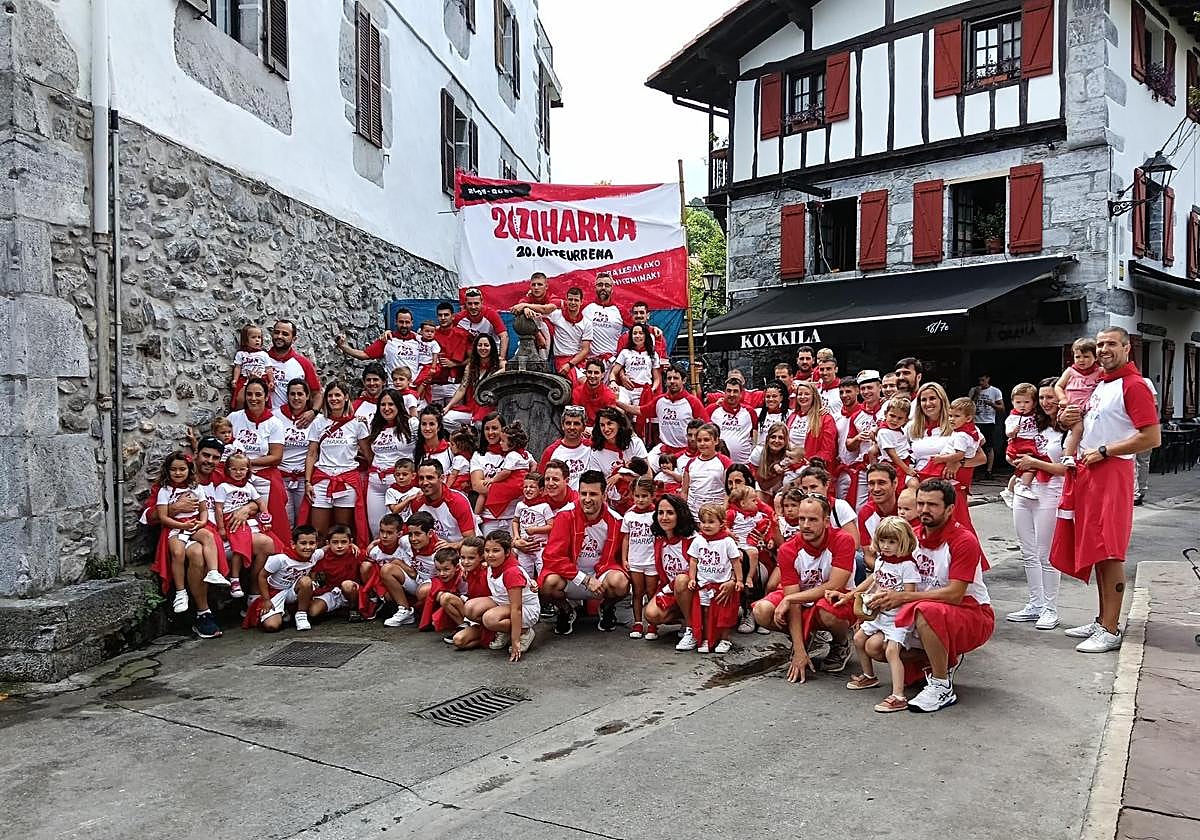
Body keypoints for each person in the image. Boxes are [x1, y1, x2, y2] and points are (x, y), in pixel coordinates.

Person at [1051, 327, 1160, 653]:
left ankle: (1110, 628)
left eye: (1111, 343)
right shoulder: (1103, 383)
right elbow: (1090, 424)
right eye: (1099, 344)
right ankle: (1103, 620)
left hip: (1111, 471)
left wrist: (1105, 450)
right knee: (1098, 549)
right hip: (1091, 470)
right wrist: (1069, 417)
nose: (1103, 349)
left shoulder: (1134, 385)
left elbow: (1151, 437)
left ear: (1127, 348)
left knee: (1110, 550)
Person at [869, 479, 993, 713]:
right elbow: (884, 570)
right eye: (921, 503)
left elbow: (955, 594)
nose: (924, 510)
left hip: (970, 613)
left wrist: (901, 598)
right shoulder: (911, 536)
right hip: (922, 610)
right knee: (874, 646)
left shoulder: (964, 540)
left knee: (925, 611)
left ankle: (941, 684)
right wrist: (859, 595)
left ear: (950, 509)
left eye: (932, 505)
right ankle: (934, 662)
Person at [751, 495, 856, 681]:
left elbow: (835, 585)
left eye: (812, 520)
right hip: (800, 599)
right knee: (761, 610)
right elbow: (793, 602)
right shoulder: (788, 549)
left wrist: (790, 598)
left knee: (828, 609)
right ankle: (801, 640)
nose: (806, 525)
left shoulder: (843, 540)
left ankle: (840, 643)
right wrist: (799, 651)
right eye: (802, 519)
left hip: (834, 597)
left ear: (826, 522)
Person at [836, 516, 921, 712]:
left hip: (898, 617)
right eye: (882, 541)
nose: (886, 546)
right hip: (880, 613)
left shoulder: (907, 565)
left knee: (892, 651)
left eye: (892, 541)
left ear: (904, 541)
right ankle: (869, 675)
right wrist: (852, 594)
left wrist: (891, 597)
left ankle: (898, 695)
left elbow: (910, 593)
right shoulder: (882, 560)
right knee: (858, 638)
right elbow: (874, 579)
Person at [1006, 377, 1069, 630]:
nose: (1045, 402)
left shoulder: (1067, 429)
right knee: (1028, 552)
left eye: (1050, 397)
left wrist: (1034, 463)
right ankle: (1035, 603)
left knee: (1046, 554)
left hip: (1051, 492)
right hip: (1025, 491)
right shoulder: (1033, 423)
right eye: (1041, 397)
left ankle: (1050, 608)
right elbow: (1014, 448)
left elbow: (1067, 469)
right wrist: (1015, 461)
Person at [539, 469, 629, 635]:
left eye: (593, 494)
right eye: (583, 494)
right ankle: (566, 610)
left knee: (621, 582)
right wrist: (585, 579)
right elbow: (552, 557)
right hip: (572, 576)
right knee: (547, 583)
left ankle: (606, 607)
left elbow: (620, 558)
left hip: (600, 575)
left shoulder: (616, 520)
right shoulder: (565, 515)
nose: (587, 499)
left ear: (604, 495)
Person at [154, 450, 228, 633]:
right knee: (180, 552)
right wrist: (175, 510)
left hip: (195, 526)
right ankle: (186, 598)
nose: (178, 473)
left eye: (182, 469)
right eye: (174, 469)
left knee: (201, 549)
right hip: (175, 529)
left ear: (189, 470)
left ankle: (207, 598)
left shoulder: (197, 487)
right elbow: (155, 515)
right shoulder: (163, 490)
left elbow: (204, 510)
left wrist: (201, 522)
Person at [302, 381, 370, 544]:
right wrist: (307, 482)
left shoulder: (358, 423)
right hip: (322, 478)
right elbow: (312, 454)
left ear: (346, 397)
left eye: (338, 395)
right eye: (330, 395)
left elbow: (368, 454)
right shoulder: (318, 422)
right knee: (318, 532)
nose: (334, 399)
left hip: (347, 480)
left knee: (343, 531)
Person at [213, 452, 283, 600]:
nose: (238, 472)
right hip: (231, 520)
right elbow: (218, 508)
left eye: (242, 469)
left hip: (246, 521)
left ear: (247, 470)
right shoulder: (223, 487)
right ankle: (235, 578)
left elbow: (260, 502)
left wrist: (266, 518)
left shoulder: (249, 487)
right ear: (227, 470)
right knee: (241, 543)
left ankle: (264, 584)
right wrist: (221, 528)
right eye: (234, 469)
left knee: (275, 544)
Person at [227, 376, 292, 532]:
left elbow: (276, 457)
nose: (253, 398)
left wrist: (246, 463)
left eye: (258, 394)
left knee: (267, 522)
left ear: (267, 396)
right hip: (234, 476)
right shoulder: (234, 418)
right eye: (249, 394)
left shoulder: (274, 423)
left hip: (263, 476)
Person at [463, 530, 539, 660]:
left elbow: (517, 608)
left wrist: (515, 642)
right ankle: (504, 630)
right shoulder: (491, 565)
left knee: (489, 619)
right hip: (502, 602)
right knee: (470, 608)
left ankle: (524, 632)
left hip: (524, 608)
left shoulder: (511, 572)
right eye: (487, 550)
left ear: (507, 552)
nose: (490, 555)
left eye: (496, 551)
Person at [682, 503, 743, 654]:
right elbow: (693, 561)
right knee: (705, 612)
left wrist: (739, 580)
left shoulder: (727, 541)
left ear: (721, 523)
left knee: (724, 614)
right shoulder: (698, 540)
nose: (706, 525)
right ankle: (706, 638)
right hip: (704, 584)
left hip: (722, 585)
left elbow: (736, 561)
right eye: (703, 522)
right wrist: (692, 579)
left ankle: (724, 639)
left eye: (711, 522)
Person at [245, 525, 320, 632]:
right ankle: (284, 610)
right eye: (303, 543)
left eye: (311, 543)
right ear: (293, 544)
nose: (308, 547)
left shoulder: (315, 555)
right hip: (275, 592)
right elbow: (262, 576)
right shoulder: (280, 559)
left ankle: (301, 615)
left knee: (306, 581)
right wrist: (266, 600)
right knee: (272, 626)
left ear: (316, 544)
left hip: (294, 590)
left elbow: (328, 548)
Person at [643, 494, 696, 642]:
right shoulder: (660, 541)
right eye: (661, 512)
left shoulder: (693, 539)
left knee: (681, 580)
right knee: (651, 614)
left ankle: (691, 628)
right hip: (672, 591)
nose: (664, 517)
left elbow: (699, 572)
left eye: (670, 513)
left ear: (680, 515)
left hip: (694, 590)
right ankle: (685, 619)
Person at [365, 389, 415, 535]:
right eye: (383, 404)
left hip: (401, 484)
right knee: (377, 529)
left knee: (402, 529)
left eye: (391, 404)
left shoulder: (412, 424)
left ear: (399, 405)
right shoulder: (374, 425)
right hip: (376, 484)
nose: (386, 408)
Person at [644, 366, 708, 466]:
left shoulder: (693, 402)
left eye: (676, 378)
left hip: (686, 452)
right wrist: (618, 403)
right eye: (669, 378)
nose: (672, 381)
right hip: (664, 449)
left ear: (684, 380)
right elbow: (640, 410)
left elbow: (707, 426)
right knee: (645, 465)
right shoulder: (660, 400)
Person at [1053, 337, 1102, 467]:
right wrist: (1062, 399)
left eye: (1086, 356)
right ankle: (1068, 456)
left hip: (1089, 409)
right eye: (1077, 357)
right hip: (1072, 407)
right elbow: (1058, 386)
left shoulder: (1100, 371)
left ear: (1095, 357)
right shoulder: (1070, 371)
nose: (1081, 360)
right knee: (1078, 429)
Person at [588, 407, 649, 508]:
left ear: (619, 424)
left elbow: (647, 475)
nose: (606, 429)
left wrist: (621, 476)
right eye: (602, 425)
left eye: (609, 423)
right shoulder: (596, 452)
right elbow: (597, 482)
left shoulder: (635, 443)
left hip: (639, 498)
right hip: (612, 502)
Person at [337, 307, 421, 380]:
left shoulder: (420, 341)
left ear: (412, 323)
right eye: (401, 322)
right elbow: (364, 355)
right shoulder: (387, 339)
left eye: (407, 322)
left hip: (414, 389)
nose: (404, 325)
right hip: (394, 389)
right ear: (396, 322)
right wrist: (343, 346)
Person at [621, 478, 659, 639]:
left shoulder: (656, 514)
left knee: (651, 592)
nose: (640, 500)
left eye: (644, 496)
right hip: (635, 561)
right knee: (637, 592)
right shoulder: (629, 515)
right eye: (637, 496)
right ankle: (637, 622)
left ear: (652, 495)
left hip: (651, 561)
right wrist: (624, 559)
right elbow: (626, 538)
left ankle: (652, 623)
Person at [409, 460, 477, 549]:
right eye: (421, 478)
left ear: (442, 478)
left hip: (462, 550)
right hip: (435, 551)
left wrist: (451, 545)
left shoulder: (458, 501)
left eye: (430, 478)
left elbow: (471, 539)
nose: (425, 482)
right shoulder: (417, 502)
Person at [307, 524, 363, 624]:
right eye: (335, 542)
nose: (339, 546)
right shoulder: (322, 557)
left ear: (350, 542)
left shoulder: (355, 553)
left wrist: (372, 543)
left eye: (344, 542)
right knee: (313, 611)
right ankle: (337, 609)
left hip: (351, 592)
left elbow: (373, 555)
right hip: (331, 592)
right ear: (328, 543)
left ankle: (353, 609)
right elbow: (313, 575)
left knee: (347, 585)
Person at [267, 319, 322, 415]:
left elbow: (316, 394)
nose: (279, 336)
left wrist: (313, 412)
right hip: (265, 420)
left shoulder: (304, 363)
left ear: (294, 339)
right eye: (276, 332)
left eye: (285, 334)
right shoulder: (262, 359)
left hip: (292, 420)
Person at [444, 333, 501, 426]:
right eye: (480, 345)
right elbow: (462, 389)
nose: (483, 348)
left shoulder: (498, 363)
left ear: (492, 347)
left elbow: (507, 367)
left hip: (490, 409)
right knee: (446, 418)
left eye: (486, 345)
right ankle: (467, 433)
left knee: (479, 424)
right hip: (471, 408)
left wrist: (493, 376)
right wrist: (448, 406)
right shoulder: (470, 366)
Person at [1002, 382, 1043, 505]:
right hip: (1020, 444)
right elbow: (1008, 433)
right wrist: (1012, 432)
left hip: (1032, 443)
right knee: (1031, 467)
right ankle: (1024, 486)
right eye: (1018, 402)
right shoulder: (1013, 418)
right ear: (1012, 402)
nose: (1022, 405)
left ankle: (1009, 490)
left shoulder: (1036, 415)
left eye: (1026, 402)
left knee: (1020, 471)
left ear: (1034, 403)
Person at [835, 376, 873, 507]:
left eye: (848, 391)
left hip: (860, 469)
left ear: (857, 391)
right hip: (842, 469)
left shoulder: (865, 414)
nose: (844, 395)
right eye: (841, 392)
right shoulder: (836, 416)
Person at [681, 423, 731, 518]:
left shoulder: (725, 462)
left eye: (706, 440)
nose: (702, 443)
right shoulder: (691, 463)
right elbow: (684, 491)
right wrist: (685, 512)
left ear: (716, 441)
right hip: (693, 513)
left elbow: (729, 491)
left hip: (716, 514)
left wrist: (723, 511)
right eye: (699, 440)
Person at [583, 271, 629, 369]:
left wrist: (652, 329)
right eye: (600, 285)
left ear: (612, 289)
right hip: (589, 362)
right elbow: (565, 306)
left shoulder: (620, 309)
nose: (603, 288)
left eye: (607, 285)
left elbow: (637, 325)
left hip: (611, 362)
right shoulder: (585, 306)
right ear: (595, 288)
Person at [786, 380, 837, 468]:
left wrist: (811, 465)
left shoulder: (825, 418)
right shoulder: (792, 416)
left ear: (814, 396)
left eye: (807, 394)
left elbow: (827, 450)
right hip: (790, 466)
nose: (803, 397)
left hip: (812, 467)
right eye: (800, 394)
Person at [610, 323, 660, 413]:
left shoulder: (653, 354)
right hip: (627, 390)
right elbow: (613, 372)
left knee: (639, 417)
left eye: (641, 333)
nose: (637, 336)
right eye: (634, 333)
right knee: (619, 411)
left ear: (646, 335)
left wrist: (652, 389)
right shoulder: (625, 352)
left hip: (643, 391)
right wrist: (613, 382)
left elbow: (657, 378)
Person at [512, 472, 554, 579]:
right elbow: (515, 521)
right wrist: (516, 536)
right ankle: (528, 588)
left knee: (542, 572)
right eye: (525, 487)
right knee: (525, 574)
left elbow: (551, 526)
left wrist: (535, 530)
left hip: (540, 547)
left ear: (541, 490)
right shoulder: (520, 505)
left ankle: (541, 588)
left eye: (532, 487)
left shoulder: (544, 506)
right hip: (524, 546)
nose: (528, 489)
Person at [539, 405, 592, 489]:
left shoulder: (592, 447)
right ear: (562, 426)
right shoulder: (550, 451)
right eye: (568, 423)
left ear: (584, 427)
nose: (572, 427)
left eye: (576, 424)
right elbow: (541, 482)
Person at [430, 301, 471, 407]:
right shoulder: (430, 334)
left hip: (455, 385)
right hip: (434, 385)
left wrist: (455, 364)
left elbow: (473, 358)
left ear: (453, 317)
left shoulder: (463, 335)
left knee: (454, 415)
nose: (443, 318)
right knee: (433, 416)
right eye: (440, 315)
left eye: (446, 315)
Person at [707, 376, 758, 463]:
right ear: (724, 392)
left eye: (735, 391)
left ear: (741, 393)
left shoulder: (750, 412)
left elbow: (755, 434)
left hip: (744, 463)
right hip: (718, 463)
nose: (731, 394)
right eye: (729, 390)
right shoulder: (712, 410)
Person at [454, 287, 509, 365]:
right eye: (470, 304)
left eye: (476, 303)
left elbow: (504, 336)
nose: (473, 307)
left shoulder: (491, 314)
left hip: (492, 354)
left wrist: (501, 358)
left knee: (503, 365)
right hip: (473, 357)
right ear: (465, 303)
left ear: (482, 302)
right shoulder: (459, 317)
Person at [572, 359, 638, 424]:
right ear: (585, 373)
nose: (592, 376)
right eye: (589, 372)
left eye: (596, 373)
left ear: (603, 375)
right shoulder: (577, 392)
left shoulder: (608, 395)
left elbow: (610, 420)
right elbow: (575, 417)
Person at [968, 373, 1005, 478]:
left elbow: (1002, 408)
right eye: (979, 380)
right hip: (975, 422)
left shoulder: (995, 391)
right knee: (973, 446)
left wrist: (992, 404)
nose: (981, 383)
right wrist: (976, 394)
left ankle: (989, 471)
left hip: (988, 422)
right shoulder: (973, 390)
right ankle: (972, 469)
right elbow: (967, 405)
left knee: (989, 446)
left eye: (983, 380)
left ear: (988, 379)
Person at [230, 323, 274, 410]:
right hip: (245, 379)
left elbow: (268, 368)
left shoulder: (263, 354)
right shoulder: (241, 354)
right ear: (246, 340)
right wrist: (235, 379)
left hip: (261, 379)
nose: (257, 340)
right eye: (253, 337)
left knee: (261, 398)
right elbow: (238, 367)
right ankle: (240, 412)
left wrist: (271, 381)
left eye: (259, 337)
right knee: (240, 399)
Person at [748, 422, 791, 505]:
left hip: (784, 487)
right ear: (768, 438)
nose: (776, 441)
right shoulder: (758, 452)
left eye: (781, 438)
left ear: (786, 440)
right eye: (773, 437)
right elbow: (763, 486)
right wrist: (779, 475)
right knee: (759, 499)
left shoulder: (791, 454)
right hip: (765, 485)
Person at [412, 406, 453, 475]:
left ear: (439, 427)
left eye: (431, 424)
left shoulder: (450, 449)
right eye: (424, 424)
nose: (427, 428)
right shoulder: (415, 450)